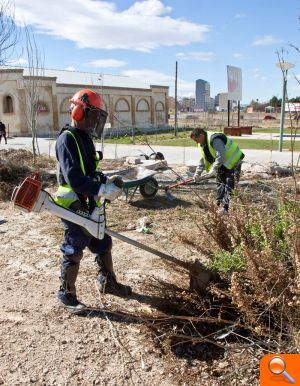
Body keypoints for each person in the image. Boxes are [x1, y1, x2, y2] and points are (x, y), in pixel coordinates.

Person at [55, 88, 132, 312]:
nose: (96, 120)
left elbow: (91, 172)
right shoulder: (66, 140)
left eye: (99, 116)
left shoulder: (86, 139)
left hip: (90, 203)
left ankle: (108, 282)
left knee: (102, 241)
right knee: (74, 247)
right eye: (93, 115)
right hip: (73, 204)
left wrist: (107, 182)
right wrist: (100, 189)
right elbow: (75, 178)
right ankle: (66, 293)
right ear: (79, 112)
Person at [190, 128, 244, 213]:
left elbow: (221, 156)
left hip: (233, 161)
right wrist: (197, 173)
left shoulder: (215, 139)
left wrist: (214, 169)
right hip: (222, 163)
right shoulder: (202, 143)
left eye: (196, 140)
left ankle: (226, 209)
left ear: (201, 135)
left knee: (229, 185)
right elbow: (203, 159)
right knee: (220, 183)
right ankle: (219, 205)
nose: (196, 143)